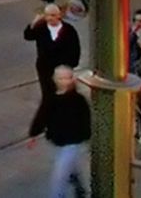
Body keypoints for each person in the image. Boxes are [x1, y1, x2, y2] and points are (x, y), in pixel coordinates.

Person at [27, 65, 91, 198]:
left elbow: (85, 120)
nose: (64, 81)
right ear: (55, 80)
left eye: (67, 78)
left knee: (59, 177)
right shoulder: (51, 99)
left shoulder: (78, 100)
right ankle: (79, 186)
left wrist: (85, 136)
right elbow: (42, 116)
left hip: (72, 143)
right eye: (61, 78)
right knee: (69, 165)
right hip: (57, 141)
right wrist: (33, 133)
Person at [24, 2, 82, 105]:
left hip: (62, 68)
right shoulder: (41, 28)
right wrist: (34, 22)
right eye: (47, 15)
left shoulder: (68, 30)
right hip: (45, 67)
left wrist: (70, 65)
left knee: (63, 94)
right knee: (48, 93)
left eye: (53, 15)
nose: (50, 18)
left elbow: (75, 48)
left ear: (59, 15)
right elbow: (28, 36)